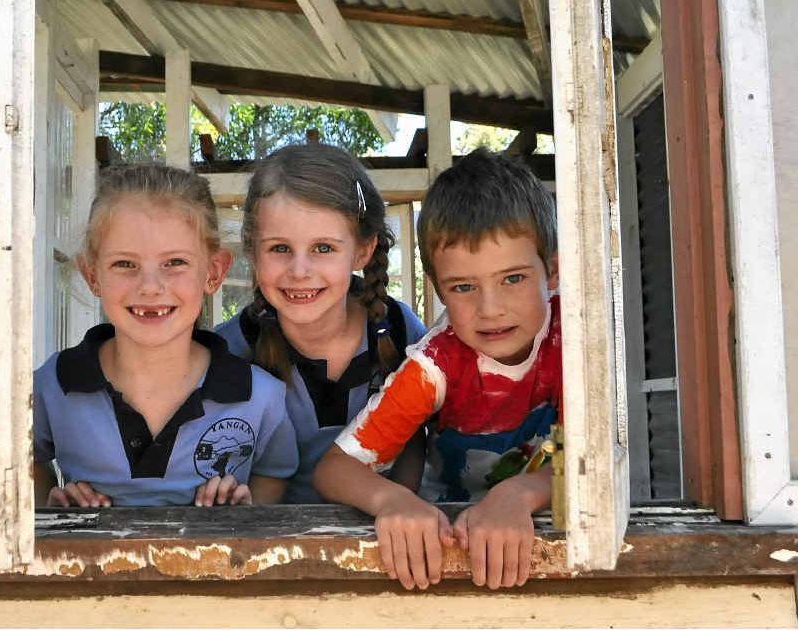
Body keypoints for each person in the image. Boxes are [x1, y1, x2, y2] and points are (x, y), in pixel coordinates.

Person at [314, 148, 560, 591]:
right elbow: (334, 469)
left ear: (554, 271)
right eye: (463, 287)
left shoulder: (578, 342)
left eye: (513, 279)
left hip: (543, 536)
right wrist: (393, 500)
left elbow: (602, 459)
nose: (490, 309)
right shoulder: (435, 366)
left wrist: (521, 494)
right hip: (448, 548)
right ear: (439, 290)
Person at [33, 164, 298, 508]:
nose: (150, 287)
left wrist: (245, 517)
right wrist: (47, 513)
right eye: (125, 264)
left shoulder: (260, 397)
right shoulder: (52, 386)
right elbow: (19, 459)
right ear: (92, 274)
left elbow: (274, 473)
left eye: (174, 262)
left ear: (214, 272)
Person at [215, 144, 427, 504]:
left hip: (388, 538)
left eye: (323, 248)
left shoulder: (401, 332)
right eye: (280, 248)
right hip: (266, 545)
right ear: (252, 250)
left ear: (362, 250)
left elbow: (423, 441)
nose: (300, 271)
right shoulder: (226, 353)